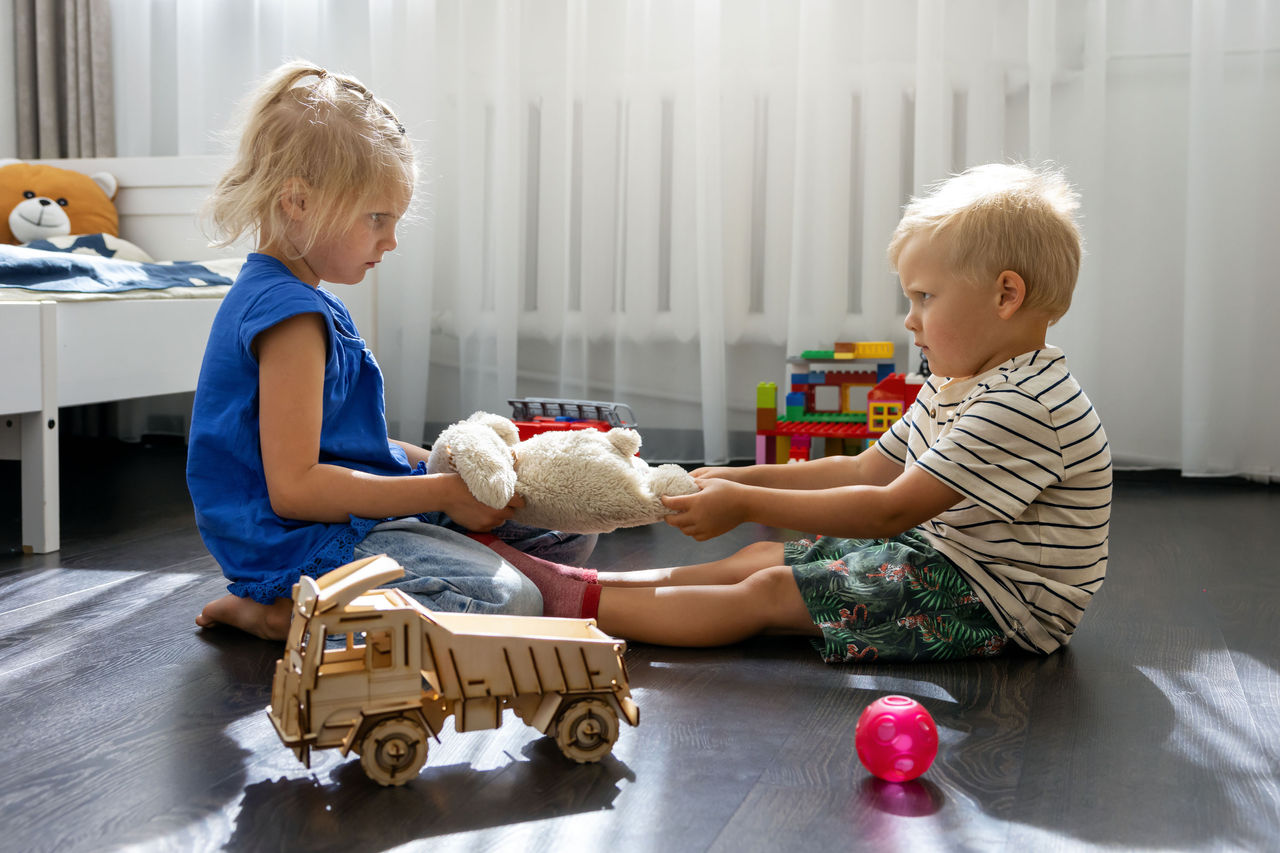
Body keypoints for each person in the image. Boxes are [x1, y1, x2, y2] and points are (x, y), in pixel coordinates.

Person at [499, 162, 1111, 662]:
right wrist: (734, 477)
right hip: (945, 557)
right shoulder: (962, 382)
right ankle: (590, 587)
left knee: (767, 590)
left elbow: (890, 507)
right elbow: (871, 470)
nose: (909, 318)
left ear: (1007, 295)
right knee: (761, 557)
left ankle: (563, 606)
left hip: (997, 605)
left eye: (925, 297)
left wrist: (745, 503)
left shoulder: (1023, 405)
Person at [187, 61, 595, 641]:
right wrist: (443, 493)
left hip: (345, 517)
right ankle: (284, 615)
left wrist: (440, 464)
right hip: (298, 539)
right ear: (298, 202)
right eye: (377, 218)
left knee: (562, 525)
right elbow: (296, 489)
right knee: (509, 601)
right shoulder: (290, 317)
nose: (392, 240)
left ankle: (437, 563)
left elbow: (349, 445)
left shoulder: (306, 301)